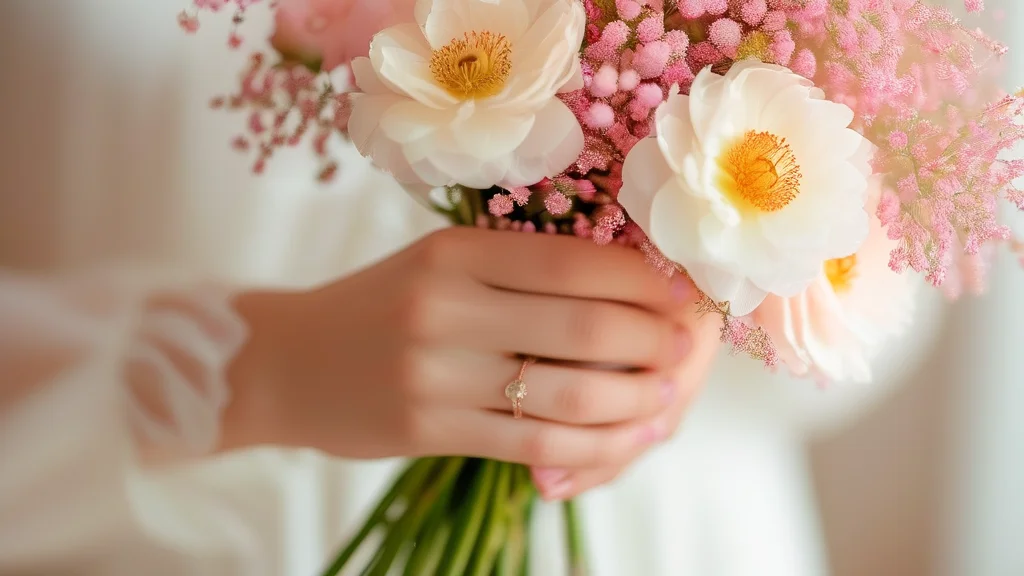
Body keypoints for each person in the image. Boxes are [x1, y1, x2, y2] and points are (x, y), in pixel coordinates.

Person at [0, 1, 943, 575]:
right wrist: (234, 373)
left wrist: (720, 284)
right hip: (141, 522)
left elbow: (894, 286)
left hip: (667, 537)